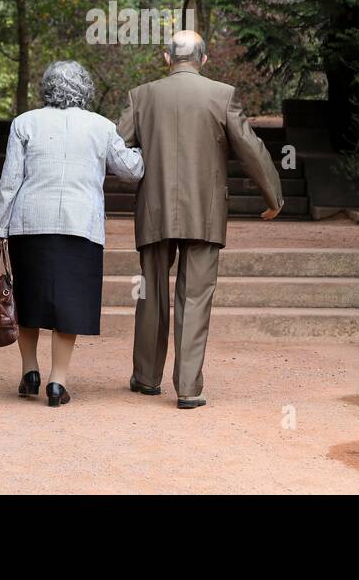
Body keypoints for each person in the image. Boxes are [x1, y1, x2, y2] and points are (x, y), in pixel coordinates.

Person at [117, 30, 283, 409]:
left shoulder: (141, 96)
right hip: (204, 212)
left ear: (166, 58)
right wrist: (274, 197)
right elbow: (252, 151)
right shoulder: (222, 95)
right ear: (204, 59)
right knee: (195, 297)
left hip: (153, 208)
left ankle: (146, 377)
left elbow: (115, 148)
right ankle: (189, 387)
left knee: (151, 292)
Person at [0, 60, 144, 408]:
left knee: (27, 297)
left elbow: (11, 181)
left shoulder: (24, 123)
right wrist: (150, 150)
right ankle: (57, 382)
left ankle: (30, 371)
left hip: (29, 224)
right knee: (69, 302)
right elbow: (131, 170)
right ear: (85, 90)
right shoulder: (101, 127)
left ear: (46, 88)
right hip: (80, 226)